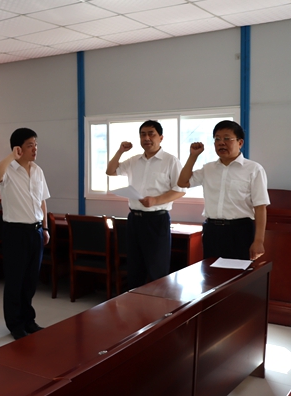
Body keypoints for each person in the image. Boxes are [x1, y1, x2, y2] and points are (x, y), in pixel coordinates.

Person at [105, 120, 185, 288]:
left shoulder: (171, 161)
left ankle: (158, 303)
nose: (146, 138)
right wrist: (120, 151)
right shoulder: (134, 160)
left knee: (157, 269)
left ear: (161, 137)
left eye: (151, 134)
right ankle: (135, 303)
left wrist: (155, 200)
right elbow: (110, 171)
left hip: (157, 220)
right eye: (143, 135)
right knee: (135, 268)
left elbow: (180, 190)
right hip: (134, 219)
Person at [178, 120, 269, 261]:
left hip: (240, 231)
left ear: (240, 143)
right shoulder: (208, 169)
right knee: (211, 272)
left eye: (227, 138)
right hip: (212, 231)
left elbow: (260, 207)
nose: (221, 143)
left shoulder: (254, 169)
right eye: (217, 139)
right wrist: (193, 156)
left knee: (239, 273)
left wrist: (259, 241)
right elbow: (182, 182)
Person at [0, 127, 50, 340]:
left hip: (35, 231)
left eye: (36, 144)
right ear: (18, 148)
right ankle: (15, 324)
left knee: (30, 280)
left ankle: (28, 320)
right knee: (15, 280)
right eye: (30, 145)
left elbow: (42, 202)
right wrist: (11, 157)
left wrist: (45, 228)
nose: (35, 149)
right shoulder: (8, 169)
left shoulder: (38, 171)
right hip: (15, 232)